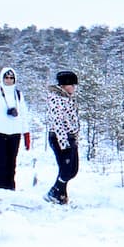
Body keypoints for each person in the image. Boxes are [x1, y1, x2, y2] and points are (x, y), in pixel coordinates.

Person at [0, 66, 33, 192]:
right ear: (2, 79)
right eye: (6, 78)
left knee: (12, 163)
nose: (9, 80)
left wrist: (26, 134)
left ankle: (10, 188)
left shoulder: (18, 95)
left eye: (11, 78)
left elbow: (23, 115)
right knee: (0, 163)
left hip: (15, 133)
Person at [42, 71, 81, 205]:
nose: (73, 88)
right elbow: (58, 121)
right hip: (59, 138)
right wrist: (63, 143)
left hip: (71, 137)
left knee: (73, 169)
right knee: (66, 169)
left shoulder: (69, 98)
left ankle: (60, 193)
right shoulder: (56, 99)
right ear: (64, 85)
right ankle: (56, 192)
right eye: (71, 85)